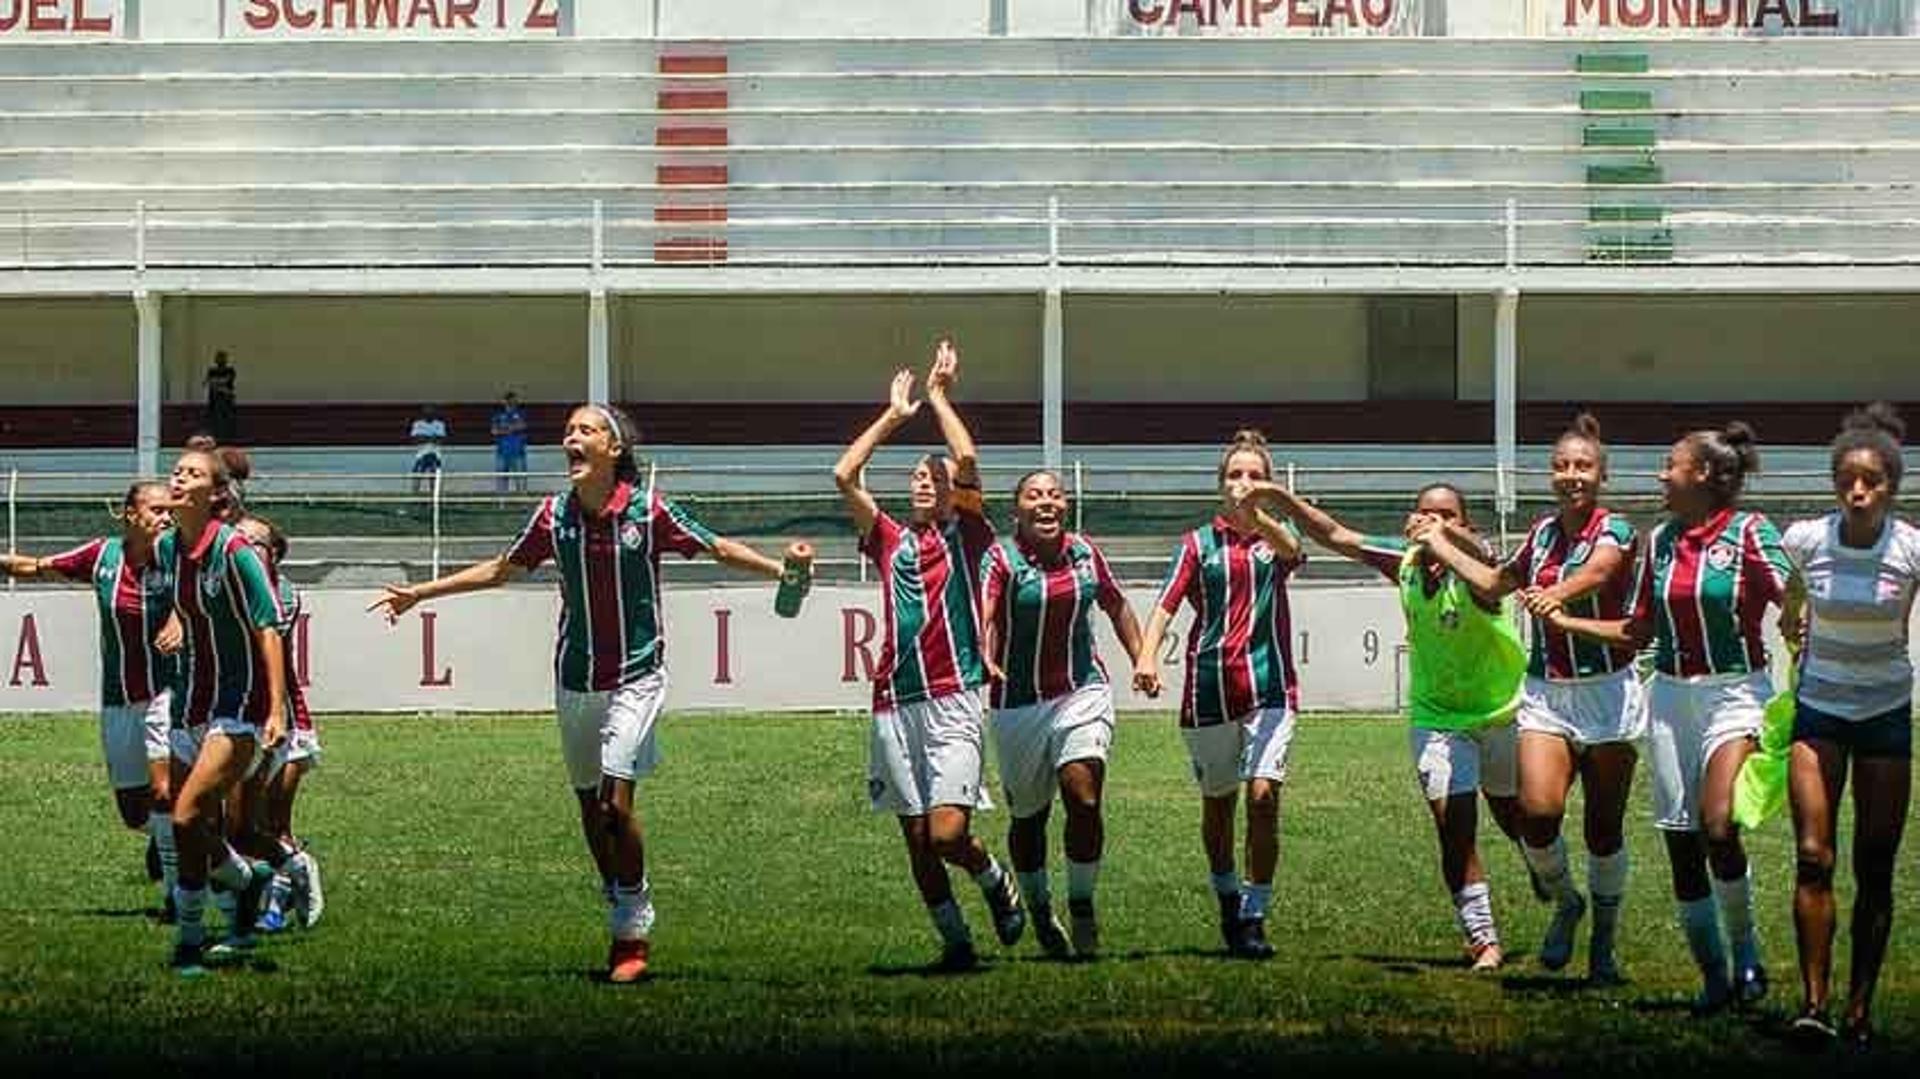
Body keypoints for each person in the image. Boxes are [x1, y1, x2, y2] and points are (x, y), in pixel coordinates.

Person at [369, 403, 805, 984]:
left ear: (614, 448)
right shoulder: (553, 516)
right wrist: (421, 592)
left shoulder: (648, 512)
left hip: (637, 675)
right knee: (587, 805)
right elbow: (502, 568)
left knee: (613, 802)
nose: (571, 438)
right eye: (569, 431)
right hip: (575, 680)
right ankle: (619, 890)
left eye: (586, 430)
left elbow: (718, 545)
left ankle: (632, 928)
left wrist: (781, 572)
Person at [1535, 423, 1802, 1013]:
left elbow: (1794, 598)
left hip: (1736, 694)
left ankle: (1748, 954)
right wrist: (1570, 623)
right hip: (1670, 700)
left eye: (1670, 465)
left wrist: (1800, 620)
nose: (1661, 474)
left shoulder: (1751, 532)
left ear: (1703, 474)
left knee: (1718, 825)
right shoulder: (1657, 542)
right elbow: (1637, 630)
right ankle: (1714, 978)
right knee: (1681, 843)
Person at [1416, 414, 1642, 983]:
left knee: (1603, 830)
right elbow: (1494, 582)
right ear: (1551, 474)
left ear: (1601, 475)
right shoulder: (1540, 533)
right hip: (1545, 693)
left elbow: (1599, 572)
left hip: (1610, 692)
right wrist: (1442, 543)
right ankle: (1567, 902)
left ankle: (1604, 948)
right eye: (1563, 466)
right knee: (1537, 816)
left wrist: (1554, 597)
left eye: (1583, 466)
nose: (1572, 476)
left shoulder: (1618, 529)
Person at [1266, 481, 1528, 971]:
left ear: (1465, 524)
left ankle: (1543, 866)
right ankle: (1483, 939)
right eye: (1425, 513)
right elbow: (1336, 535)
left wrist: (1446, 539)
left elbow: (1490, 559)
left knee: (1520, 820)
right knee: (1455, 826)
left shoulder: (1483, 572)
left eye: (1447, 515)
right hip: (1438, 718)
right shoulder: (1404, 563)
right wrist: (1281, 497)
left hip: (1502, 715)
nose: (1433, 521)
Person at [832, 340, 1027, 972]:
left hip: (954, 695)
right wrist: (893, 416)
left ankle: (994, 877)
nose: (926, 481)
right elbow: (843, 476)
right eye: (918, 475)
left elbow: (966, 455)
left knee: (947, 835)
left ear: (953, 493)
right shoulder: (889, 538)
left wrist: (938, 397)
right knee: (917, 841)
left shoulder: (968, 533)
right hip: (894, 702)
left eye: (935, 477)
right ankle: (956, 945)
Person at [1132, 429, 1304, 961]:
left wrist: (1264, 514)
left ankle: (1254, 914)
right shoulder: (1196, 544)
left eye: (1255, 476)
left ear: (1269, 484)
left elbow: (1294, 550)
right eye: (1235, 475)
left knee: (1263, 797)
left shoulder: (1277, 537)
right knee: (1218, 807)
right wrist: (1146, 655)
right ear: (1219, 484)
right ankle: (1228, 896)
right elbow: (1165, 606)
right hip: (1208, 690)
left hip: (1271, 686)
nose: (1244, 484)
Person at [1778, 403, 1918, 1049]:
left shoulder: (1912, 547)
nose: (1858, 490)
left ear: (1892, 484)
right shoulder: (1806, 539)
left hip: (1886, 715)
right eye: (1847, 480)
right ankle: (1815, 1003)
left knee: (1875, 865)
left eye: (1872, 480)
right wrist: (1791, 623)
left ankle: (1860, 1008)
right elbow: (1791, 598)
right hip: (1821, 712)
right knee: (1813, 855)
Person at [978, 469, 1145, 960]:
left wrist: (1143, 657)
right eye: (1035, 495)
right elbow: (986, 611)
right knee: (1028, 818)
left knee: (1083, 795)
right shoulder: (1001, 557)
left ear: (1065, 506)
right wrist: (987, 656)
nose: (1046, 502)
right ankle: (1039, 909)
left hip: (1081, 691)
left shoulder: (1086, 553)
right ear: (1018, 512)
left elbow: (1116, 605)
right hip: (1017, 704)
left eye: (1055, 494)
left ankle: (1081, 902)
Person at [0, 482, 180, 916]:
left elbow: (207, 598)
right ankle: (167, 837)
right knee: (134, 813)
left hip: (167, 693)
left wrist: (181, 619)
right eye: (156, 509)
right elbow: (36, 566)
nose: (166, 517)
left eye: (169, 510)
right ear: (129, 514)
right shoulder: (102, 555)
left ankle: (178, 896)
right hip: (118, 698)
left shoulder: (182, 557)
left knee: (163, 790)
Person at [158, 446, 289, 974]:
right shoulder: (168, 547)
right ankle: (195, 936)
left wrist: (276, 708)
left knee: (187, 817)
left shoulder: (236, 550)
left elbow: (268, 624)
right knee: (187, 827)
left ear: (215, 493)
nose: (179, 476)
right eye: (177, 470)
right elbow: (186, 605)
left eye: (192, 473)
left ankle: (239, 881)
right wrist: (175, 621)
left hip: (238, 706)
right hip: (191, 700)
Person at [234, 514, 324, 934]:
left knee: (271, 823)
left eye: (257, 542)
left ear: (274, 554)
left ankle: (275, 903)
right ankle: (273, 890)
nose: (245, 546)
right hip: (237, 718)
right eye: (240, 538)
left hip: (283, 722)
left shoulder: (282, 593)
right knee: (241, 825)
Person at [492, 392, 531, 494]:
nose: (510, 403)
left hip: (518, 451)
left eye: (513, 400)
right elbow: (494, 431)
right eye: (508, 400)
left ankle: (523, 502)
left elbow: (522, 426)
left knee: (521, 479)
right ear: (504, 402)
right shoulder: (499, 415)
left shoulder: (521, 413)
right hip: (502, 452)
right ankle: (501, 502)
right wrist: (511, 429)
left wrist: (505, 429)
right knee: (501, 479)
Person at [410, 405, 448, 495]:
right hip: (421, 454)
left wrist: (424, 437)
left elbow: (441, 440)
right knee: (417, 474)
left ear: (434, 413)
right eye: (427, 412)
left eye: (431, 412)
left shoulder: (439, 424)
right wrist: (432, 437)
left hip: (435, 454)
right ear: (423, 413)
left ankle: (433, 494)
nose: (429, 414)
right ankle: (415, 494)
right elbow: (415, 439)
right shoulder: (417, 424)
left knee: (434, 474)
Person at [204, 352, 238, 443]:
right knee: (214, 422)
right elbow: (207, 382)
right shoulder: (212, 371)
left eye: (222, 358)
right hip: (214, 401)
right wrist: (222, 388)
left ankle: (228, 440)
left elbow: (226, 379)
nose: (220, 360)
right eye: (218, 358)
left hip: (227, 401)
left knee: (227, 421)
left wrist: (216, 384)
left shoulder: (230, 370)